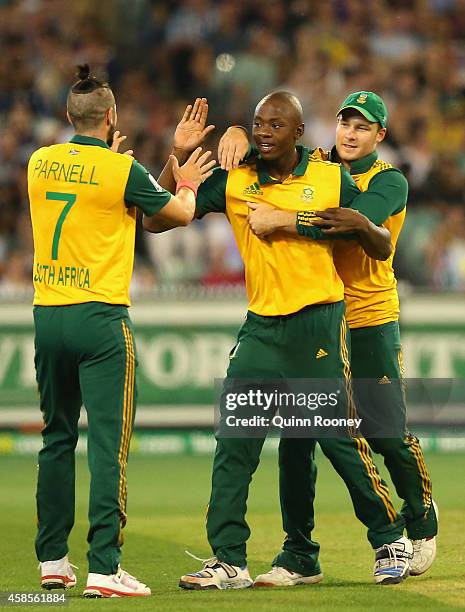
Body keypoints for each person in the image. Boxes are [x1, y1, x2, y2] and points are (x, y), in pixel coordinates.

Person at [144, 91, 412, 589]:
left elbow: (375, 237)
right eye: (256, 124)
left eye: (275, 125)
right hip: (262, 326)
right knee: (235, 440)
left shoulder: (331, 176)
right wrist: (178, 156)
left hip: (317, 323)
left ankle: (389, 536)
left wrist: (369, 231)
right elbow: (157, 218)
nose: (264, 132)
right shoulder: (235, 178)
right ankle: (228, 558)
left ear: (299, 133)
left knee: (336, 438)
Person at [220, 91, 437, 582]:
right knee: (297, 436)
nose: (350, 134)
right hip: (319, 317)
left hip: (368, 318)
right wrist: (238, 138)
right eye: (345, 124)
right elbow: (273, 153)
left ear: (380, 135)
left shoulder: (389, 181)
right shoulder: (316, 168)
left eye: (363, 128)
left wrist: (285, 219)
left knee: (383, 430)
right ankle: (298, 553)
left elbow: (351, 224)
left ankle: (420, 519)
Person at [28, 66, 215, 598]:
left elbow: (110, 197)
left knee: (56, 439)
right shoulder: (118, 169)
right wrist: (184, 178)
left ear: (68, 116)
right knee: (108, 446)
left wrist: (120, 163)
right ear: (112, 117)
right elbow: (173, 212)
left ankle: (53, 563)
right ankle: (105, 569)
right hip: (101, 318)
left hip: (48, 315)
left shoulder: (39, 163)